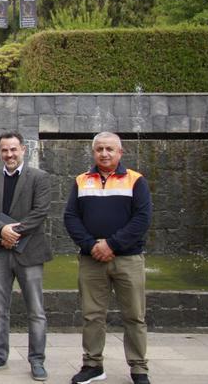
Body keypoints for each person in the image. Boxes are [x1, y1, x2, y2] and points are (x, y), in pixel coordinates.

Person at [64, 132, 152, 384]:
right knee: (92, 315)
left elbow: (142, 219)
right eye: (99, 149)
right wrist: (92, 245)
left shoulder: (136, 180)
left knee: (135, 315)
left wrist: (112, 244)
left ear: (120, 152)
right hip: (91, 259)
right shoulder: (81, 180)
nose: (104, 153)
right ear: (93, 152)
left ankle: (139, 368)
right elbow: (71, 217)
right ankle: (92, 365)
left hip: (128, 259)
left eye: (110, 149)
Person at [0, 131, 52, 381]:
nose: (9, 154)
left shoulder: (39, 178)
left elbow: (40, 211)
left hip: (29, 252)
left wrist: (13, 232)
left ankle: (37, 360)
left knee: (36, 310)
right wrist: (1, 230)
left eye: (13, 149)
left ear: (23, 150)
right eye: (4, 150)